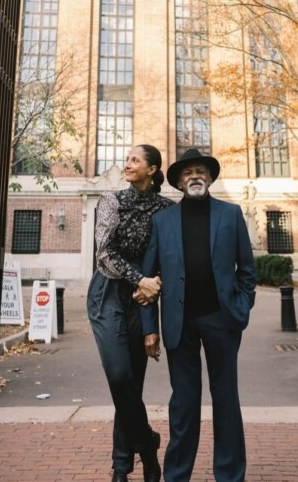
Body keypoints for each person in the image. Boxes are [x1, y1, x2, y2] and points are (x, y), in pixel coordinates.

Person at [140, 148, 256, 482]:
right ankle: (176, 475)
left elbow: (247, 270)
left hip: (222, 320)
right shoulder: (162, 222)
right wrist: (150, 329)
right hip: (180, 324)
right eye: (188, 172)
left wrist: (241, 307)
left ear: (210, 178)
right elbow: (148, 281)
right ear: (177, 181)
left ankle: (230, 475)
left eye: (201, 171)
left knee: (226, 400)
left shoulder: (231, 215)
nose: (195, 176)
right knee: (184, 404)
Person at [87, 144, 174, 482]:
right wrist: (142, 279)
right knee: (119, 376)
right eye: (127, 159)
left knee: (132, 385)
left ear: (153, 169)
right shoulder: (111, 201)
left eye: (135, 160)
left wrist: (154, 284)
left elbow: (171, 256)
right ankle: (149, 446)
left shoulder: (166, 209)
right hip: (108, 293)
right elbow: (104, 253)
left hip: (143, 299)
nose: (128, 164)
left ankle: (122, 468)